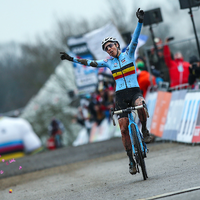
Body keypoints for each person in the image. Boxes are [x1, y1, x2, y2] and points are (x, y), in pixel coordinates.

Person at [60, 8, 153, 175]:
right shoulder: (108, 62)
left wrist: (140, 21)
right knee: (123, 129)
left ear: (117, 45)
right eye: (105, 48)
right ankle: (131, 160)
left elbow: (136, 37)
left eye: (110, 46)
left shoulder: (129, 54)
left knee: (141, 105)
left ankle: (144, 130)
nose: (108, 49)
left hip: (134, 92)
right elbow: (89, 62)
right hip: (120, 96)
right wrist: (71, 59)